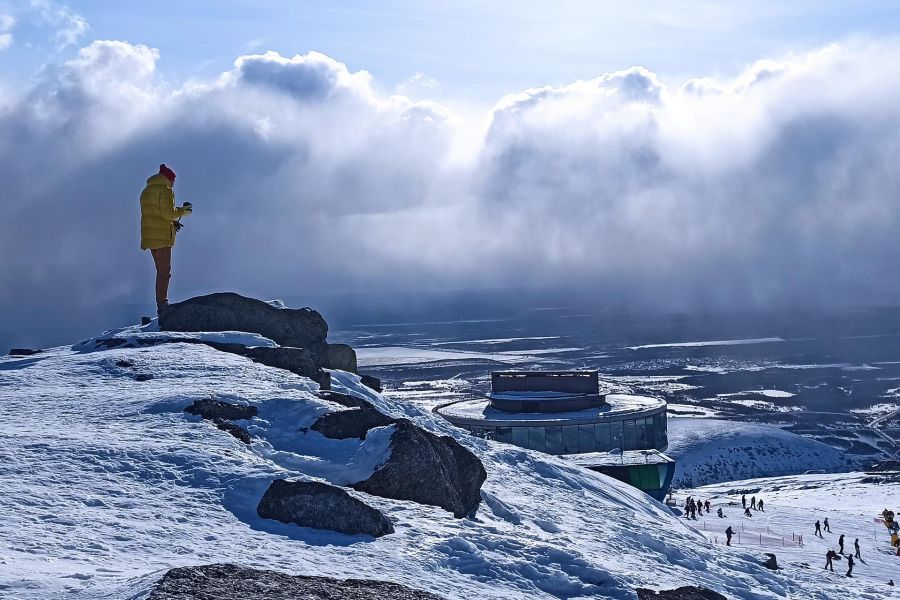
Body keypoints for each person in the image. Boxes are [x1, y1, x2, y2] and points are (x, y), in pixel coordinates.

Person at [140, 163, 192, 314]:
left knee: (160, 270)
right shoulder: (165, 191)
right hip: (161, 238)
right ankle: (162, 306)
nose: (174, 183)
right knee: (165, 272)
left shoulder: (146, 191)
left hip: (150, 236)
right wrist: (184, 211)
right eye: (173, 180)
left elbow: (156, 215)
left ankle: (161, 304)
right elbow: (168, 214)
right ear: (168, 179)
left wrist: (172, 223)